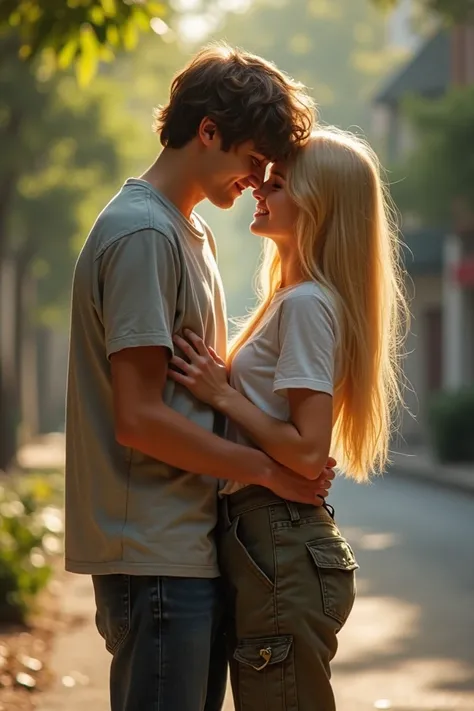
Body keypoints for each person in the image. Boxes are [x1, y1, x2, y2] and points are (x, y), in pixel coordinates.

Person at [65, 43, 336, 711]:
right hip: (154, 557)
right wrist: (271, 470)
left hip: (186, 547)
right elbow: (140, 416)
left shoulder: (191, 235)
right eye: (252, 160)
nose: (255, 179)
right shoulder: (144, 236)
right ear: (207, 131)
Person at [169, 126, 409, 711]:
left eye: (277, 184)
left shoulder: (305, 304)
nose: (259, 190)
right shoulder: (296, 297)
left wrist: (224, 396)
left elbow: (306, 452)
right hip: (268, 538)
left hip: (278, 536)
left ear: (318, 206)